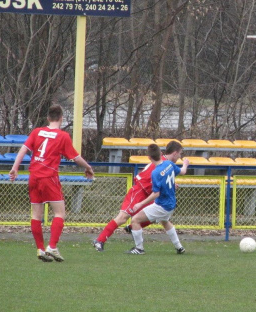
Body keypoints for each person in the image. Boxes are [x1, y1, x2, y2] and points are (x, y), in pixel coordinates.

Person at [9, 105, 94, 262]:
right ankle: (52, 246)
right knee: (60, 213)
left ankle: (40, 249)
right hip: (49, 177)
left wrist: (15, 168)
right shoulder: (62, 136)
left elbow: (23, 150)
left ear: (48, 118)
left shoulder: (36, 132)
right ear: (61, 118)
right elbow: (75, 158)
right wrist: (88, 167)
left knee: (36, 215)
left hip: (33, 176)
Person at [93, 143, 166, 252]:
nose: (180, 156)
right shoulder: (164, 162)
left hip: (148, 194)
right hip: (139, 191)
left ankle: (132, 228)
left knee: (156, 215)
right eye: (179, 153)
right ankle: (100, 240)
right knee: (122, 218)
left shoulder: (166, 164)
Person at [126, 140, 189, 255]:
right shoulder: (169, 164)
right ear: (161, 154)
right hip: (171, 203)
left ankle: (139, 248)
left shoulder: (155, 173)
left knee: (135, 220)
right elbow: (183, 171)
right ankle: (179, 247)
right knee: (165, 221)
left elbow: (156, 194)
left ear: (149, 158)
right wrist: (185, 163)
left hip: (162, 205)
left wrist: (140, 204)